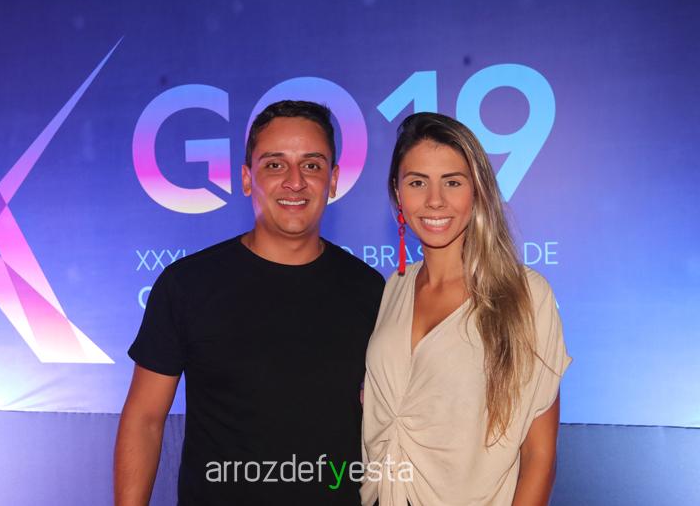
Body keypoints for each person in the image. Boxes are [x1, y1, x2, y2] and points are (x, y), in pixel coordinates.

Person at [115, 100, 385, 505]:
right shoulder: (187, 285)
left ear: (332, 180)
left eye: (312, 165)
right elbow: (145, 420)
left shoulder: (369, 289)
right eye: (275, 165)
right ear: (246, 178)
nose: (295, 181)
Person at [361, 113, 571, 506]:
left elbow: (539, 456)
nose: (434, 200)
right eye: (417, 182)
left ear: (477, 191)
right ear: (398, 193)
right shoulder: (395, 288)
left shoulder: (525, 295)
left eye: (453, 182)